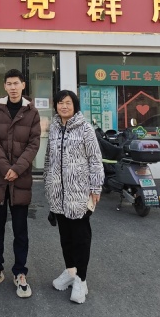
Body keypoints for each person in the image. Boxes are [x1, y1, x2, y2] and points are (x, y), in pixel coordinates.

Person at [0, 69, 41, 298]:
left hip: (20, 179)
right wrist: (6, 168)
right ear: (4, 86)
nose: (13, 87)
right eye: (9, 83)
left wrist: (17, 169)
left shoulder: (32, 112)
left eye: (16, 83)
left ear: (23, 85)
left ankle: (20, 272)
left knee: (20, 229)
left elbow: (34, 144)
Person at [44, 89, 104, 304]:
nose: (64, 106)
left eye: (68, 103)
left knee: (80, 237)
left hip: (79, 192)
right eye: (60, 103)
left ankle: (81, 279)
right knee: (65, 237)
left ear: (75, 105)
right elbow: (49, 158)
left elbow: (95, 159)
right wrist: (48, 181)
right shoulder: (54, 127)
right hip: (58, 193)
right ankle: (70, 272)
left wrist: (96, 187)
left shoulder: (85, 129)